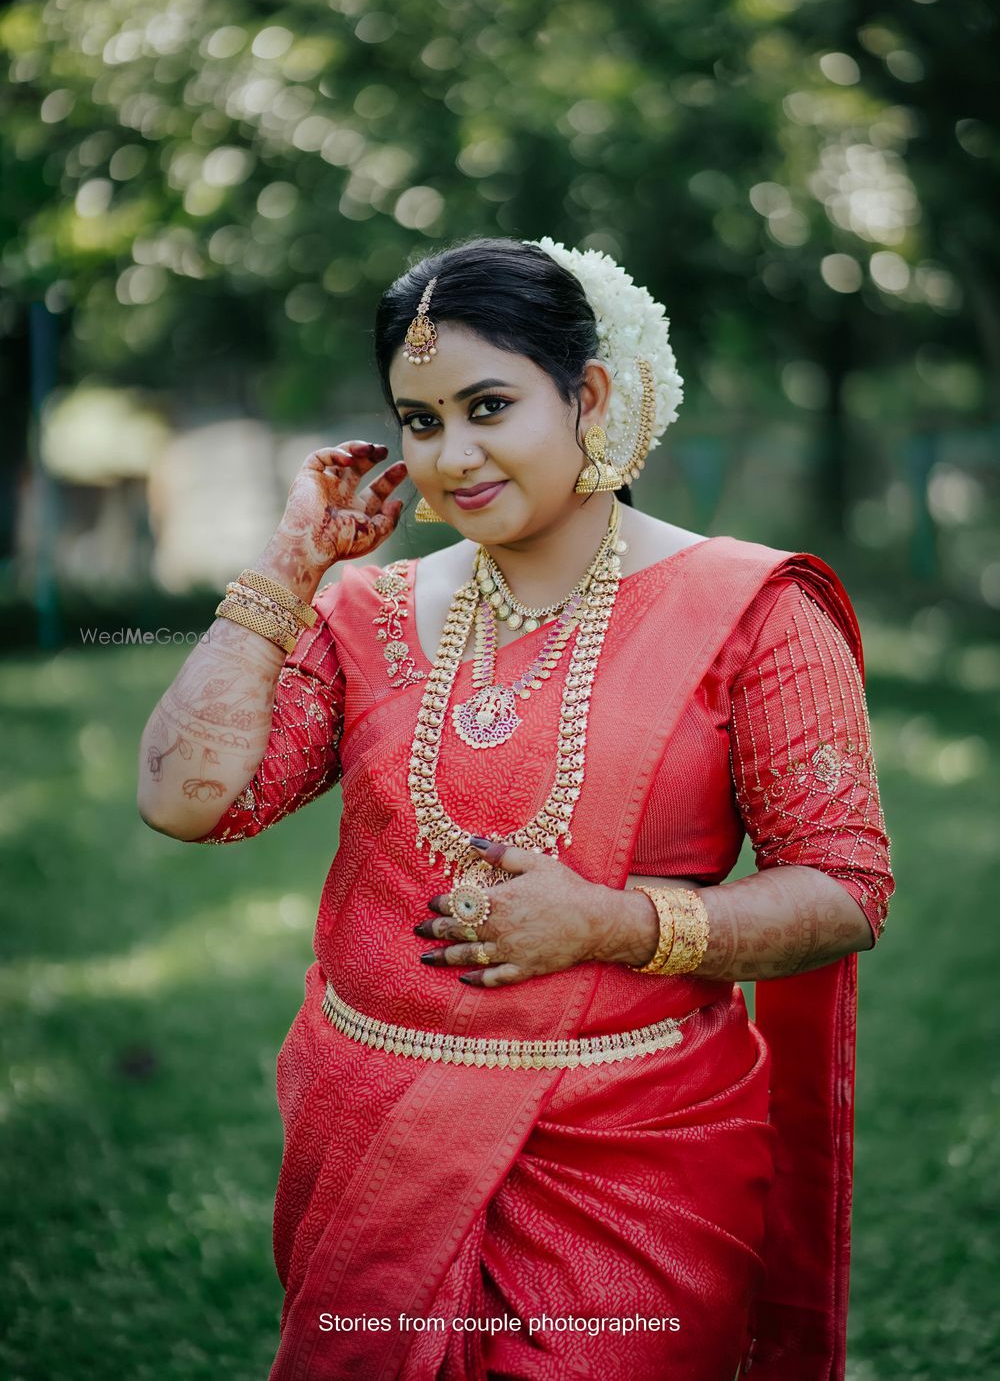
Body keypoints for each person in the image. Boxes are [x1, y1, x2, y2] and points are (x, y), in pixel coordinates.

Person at [137, 236, 894, 1381]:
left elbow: (843, 888)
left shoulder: (751, 611)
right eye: (421, 418)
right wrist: (285, 572)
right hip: (371, 1130)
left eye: (489, 405)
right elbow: (186, 802)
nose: (452, 454)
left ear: (587, 396)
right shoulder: (365, 609)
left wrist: (614, 924)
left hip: (633, 1150)